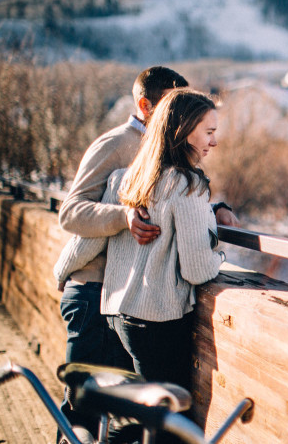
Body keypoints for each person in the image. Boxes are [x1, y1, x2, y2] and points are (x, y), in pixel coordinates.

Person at [55, 89, 226, 392]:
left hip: (117, 314)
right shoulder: (189, 184)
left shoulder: (129, 176)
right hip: (158, 321)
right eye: (209, 132)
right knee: (165, 420)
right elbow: (197, 271)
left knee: (127, 413)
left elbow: (99, 238)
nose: (214, 141)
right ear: (184, 130)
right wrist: (220, 255)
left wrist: (64, 268)